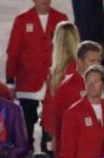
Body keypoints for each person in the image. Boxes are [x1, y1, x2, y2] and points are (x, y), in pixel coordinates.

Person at [5, 0, 69, 147]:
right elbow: (13, 53)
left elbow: (68, 50)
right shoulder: (22, 20)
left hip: (54, 83)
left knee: (51, 125)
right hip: (27, 82)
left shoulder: (61, 19)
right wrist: (10, 81)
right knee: (26, 126)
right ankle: (27, 152)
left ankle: (48, 153)